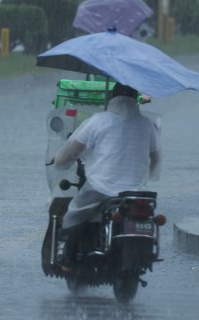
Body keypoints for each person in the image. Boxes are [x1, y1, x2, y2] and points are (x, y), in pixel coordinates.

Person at [53, 82, 161, 272]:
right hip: (135, 193)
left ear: (111, 98)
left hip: (100, 188)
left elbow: (71, 151)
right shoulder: (147, 125)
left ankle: (67, 259)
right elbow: (156, 158)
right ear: (135, 100)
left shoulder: (98, 121)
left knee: (74, 213)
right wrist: (150, 175)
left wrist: (60, 161)